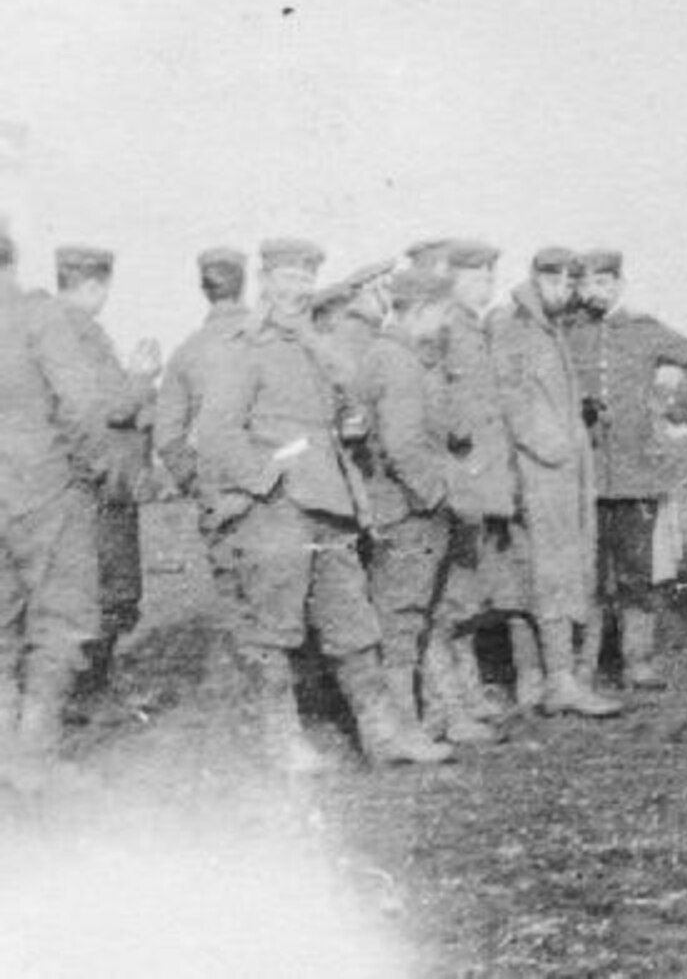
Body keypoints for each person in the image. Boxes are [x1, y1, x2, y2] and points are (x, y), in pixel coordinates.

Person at [196, 237, 450, 770]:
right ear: (265, 282)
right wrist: (263, 480)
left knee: (353, 625)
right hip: (276, 511)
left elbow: (338, 417)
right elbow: (217, 432)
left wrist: (350, 428)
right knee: (274, 628)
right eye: (286, 279)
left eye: (306, 280)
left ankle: (384, 736)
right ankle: (282, 743)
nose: (297, 291)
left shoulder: (316, 348)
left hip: (331, 505)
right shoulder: (244, 348)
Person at [356, 267, 499, 745]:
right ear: (420, 310)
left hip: (416, 508)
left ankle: (440, 715)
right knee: (401, 622)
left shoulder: (403, 357)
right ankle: (402, 728)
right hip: (408, 512)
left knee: (429, 614)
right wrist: (440, 497)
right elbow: (402, 447)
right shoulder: (395, 361)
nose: (442, 324)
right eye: (438, 313)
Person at [563, 247, 687, 688]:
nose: (595, 293)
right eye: (587, 284)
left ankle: (637, 661)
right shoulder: (567, 332)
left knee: (636, 573)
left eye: (604, 283)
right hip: (583, 477)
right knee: (586, 574)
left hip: (636, 475)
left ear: (619, 284)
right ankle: (583, 664)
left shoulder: (645, 330)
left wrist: (679, 409)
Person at [490, 247, 623, 717]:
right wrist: (554, 446)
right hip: (539, 471)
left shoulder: (546, 329)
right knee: (548, 575)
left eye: (571, 284)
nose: (565, 292)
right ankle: (558, 680)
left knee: (543, 574)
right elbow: (510, 399)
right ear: (537, 278)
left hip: (557, 473)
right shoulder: (515, 327)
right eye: (558, 282)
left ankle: (536, 680)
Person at [0, 232, 110, 787]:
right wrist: (87, 470)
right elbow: (84, 405)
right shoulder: (38, 318)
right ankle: (33, 758)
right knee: (61, 620)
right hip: (44, 487)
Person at [53, 245, 160, 696]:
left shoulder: (57, 331)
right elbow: (110, 408)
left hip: (80, 484)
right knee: (109, 589)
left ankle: (87, 683)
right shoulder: (78, 334)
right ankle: (86, 688)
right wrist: (140, 377)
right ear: (95, 285)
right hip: (95, 487)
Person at [436, 239, 537, 713]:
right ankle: (463, 694)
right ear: (452, 279)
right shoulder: (445, 329)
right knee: (458, 591)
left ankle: (481, 686)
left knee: (489, 584)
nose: (485, 287)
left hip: (494, 478)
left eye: (489, 278)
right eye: (475, 277)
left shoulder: (484, 329)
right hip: (463, 479)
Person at [156, 248, 251, 502]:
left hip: (219, 490)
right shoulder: (276, 340)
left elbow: (166, 435)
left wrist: (195, 482)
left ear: (204, 290)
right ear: (244, 284)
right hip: (281, 490)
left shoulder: (185, 353)